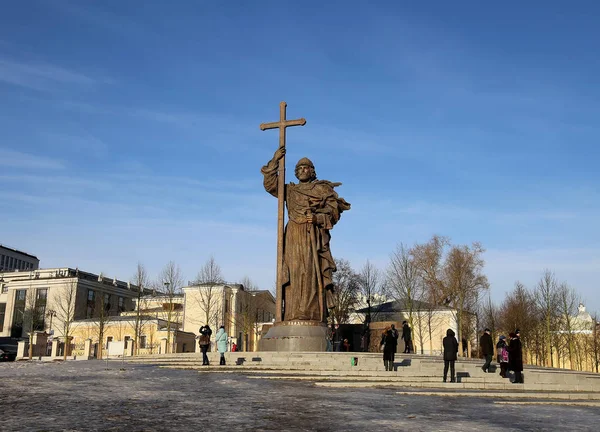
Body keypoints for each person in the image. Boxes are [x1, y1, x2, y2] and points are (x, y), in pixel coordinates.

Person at [262, 148, 351, 322]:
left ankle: (311, 313)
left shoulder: (321, 190)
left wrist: (317, 217)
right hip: (293, 234)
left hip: (312, 235)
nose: (302, 170)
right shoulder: (290, 190)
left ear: (312, 171)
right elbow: (270, 184)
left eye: (306, 168)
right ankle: (291, 313)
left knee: (309, 271)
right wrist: (275, 161)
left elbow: (335, 212)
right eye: (299, 168)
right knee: (293, 272)